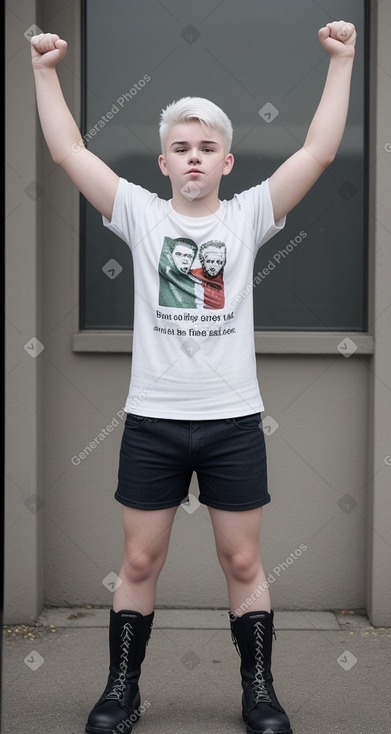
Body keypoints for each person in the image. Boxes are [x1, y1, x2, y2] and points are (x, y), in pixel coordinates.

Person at [30, 20, 356, 734]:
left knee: (242, 561)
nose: (194, 158)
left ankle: (259, 693)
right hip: (151, 421)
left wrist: (342, 61)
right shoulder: (140, 217)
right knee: (139, 558)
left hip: (233, 422)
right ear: (163, 162)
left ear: (227, 161)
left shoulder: (248, 219)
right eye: (181, 148)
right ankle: (122, 691)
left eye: (207, 148)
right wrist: (45, 70)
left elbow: (319, 149)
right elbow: (66, 150)